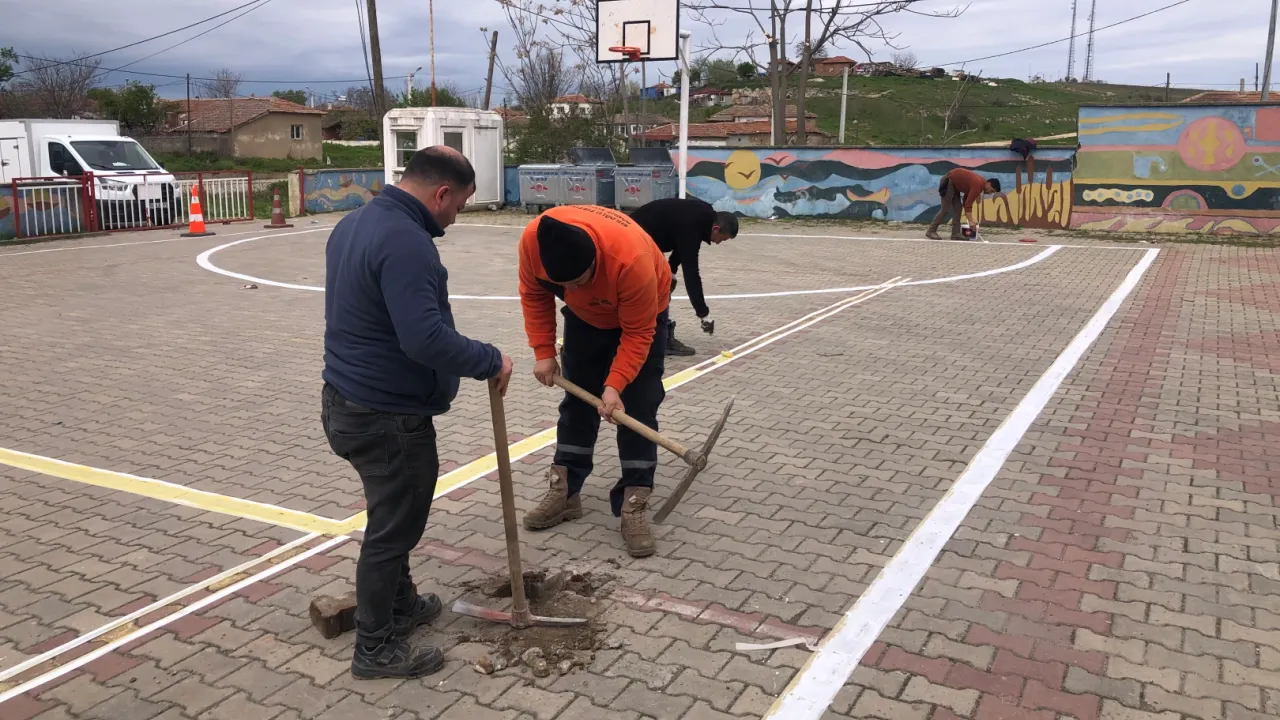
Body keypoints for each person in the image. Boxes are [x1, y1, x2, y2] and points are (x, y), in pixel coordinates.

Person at [321, 146, 513, 680]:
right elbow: (424, 338)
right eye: (460, 205)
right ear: (441, 193)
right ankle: (375, 647)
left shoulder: (355, 223)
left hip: (346, 401)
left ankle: (401, 604)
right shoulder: (408, 243)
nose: (457, 217)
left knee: (393, 517)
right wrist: (490, 359)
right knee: (391, 531)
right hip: (385, 416)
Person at [516, 205, 671, 558]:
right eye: (564, 285)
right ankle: (566, 492)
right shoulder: (534, 241)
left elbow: (638, 334)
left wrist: (615, 386)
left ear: (594, 261)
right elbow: (534, 294)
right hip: (585, 318)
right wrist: (543, 351)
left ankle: (634, 500)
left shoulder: (630, 260)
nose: (571, 289)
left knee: (637, 406)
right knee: (578, 402)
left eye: (578, 280)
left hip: (641, 313)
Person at [628, 197, 738, 356]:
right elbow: (691, 273)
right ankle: (661, 339)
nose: (718, 243)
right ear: (716, 228)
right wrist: (703, 313)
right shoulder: (695, 224)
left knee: (664, 284)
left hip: (642, 237)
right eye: (722, 238)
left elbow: (681, 246)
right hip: (633, 238)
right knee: (654, 289)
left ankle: (658, 333)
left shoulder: (701, 217)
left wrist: (671, 273)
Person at [925, 168, 1001, 241]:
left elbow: (966, 199)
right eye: (991, 191)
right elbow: (968, 204)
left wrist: (969, 217)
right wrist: (971, 222)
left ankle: (955, 234)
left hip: (955, 184)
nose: (990, 193)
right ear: (989, 184)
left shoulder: (980, 184)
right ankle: (931, 231)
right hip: (949, 181)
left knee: (958, 208)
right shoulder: (978, 185)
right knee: (945, 209)